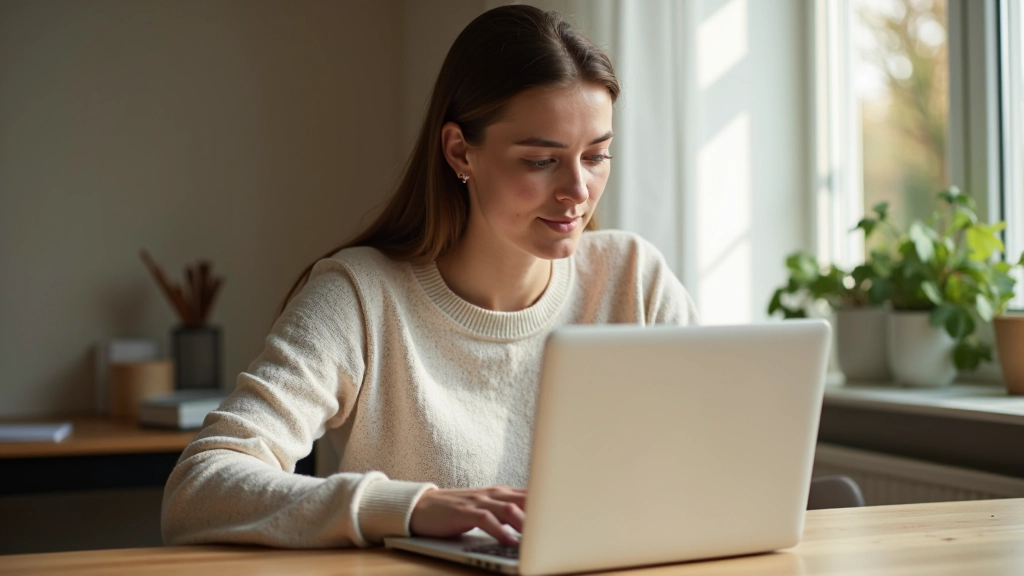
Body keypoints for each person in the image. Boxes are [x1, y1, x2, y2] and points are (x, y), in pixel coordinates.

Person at [161, 4, 698, 550]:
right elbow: (198, 488)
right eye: (541, 161)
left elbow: (718, 463)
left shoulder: (636, 279)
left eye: (597, 156)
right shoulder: (360, 298)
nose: (578, 191)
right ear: (460, 150)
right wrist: (409, 507)